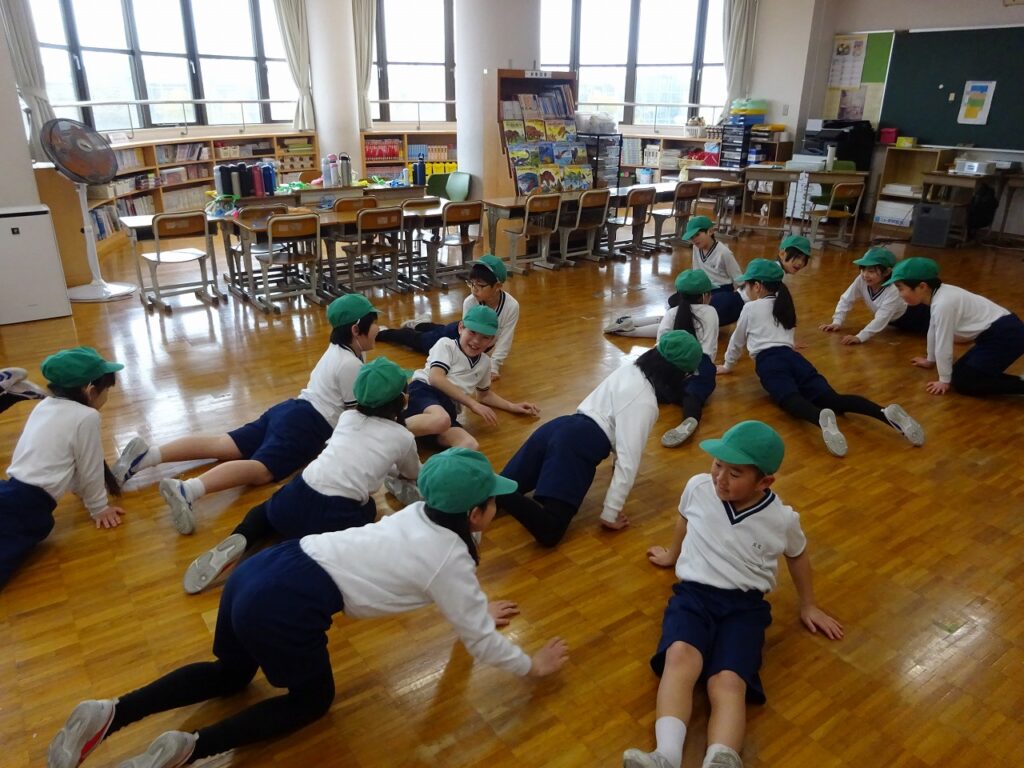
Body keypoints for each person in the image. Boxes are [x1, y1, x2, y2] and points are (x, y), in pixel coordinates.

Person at [46, 448, 569, 768]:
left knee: (230, 674)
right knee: (312, 701)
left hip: (267, 566)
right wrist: (532, 665)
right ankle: (191, 747)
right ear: (476, 515)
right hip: (287, 602)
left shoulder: (417, 514)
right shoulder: (451, 559)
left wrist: (474, 611)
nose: (497, 506)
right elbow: (477, 638)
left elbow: (447, 592)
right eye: (493, 501)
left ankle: (112, 711)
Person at [622, 420, 843, 768]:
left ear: (764, 482)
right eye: (718, 465)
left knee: (727, 682)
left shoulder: (782, 519)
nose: (720, 478)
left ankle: (721, 758)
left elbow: (797, 555)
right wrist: (672, 554)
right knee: (679, 658)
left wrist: (809, 605)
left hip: (745, 609)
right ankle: (666, 756)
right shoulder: (698, 487)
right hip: (693, 596)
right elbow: (684, 519)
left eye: (735, 473)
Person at [112, 294, 381, 535]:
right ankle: (188, 489)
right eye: (375, 323)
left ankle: (147, 456)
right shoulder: (350, 365)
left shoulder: (340, 351)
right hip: (307, 425)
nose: (379, 329)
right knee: (261, 470)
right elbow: (354, 418)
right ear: (356, 329)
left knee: (224, 444)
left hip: (290, 409)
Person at [181, 357, 421, 594]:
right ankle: (295, 555)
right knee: (368, 508)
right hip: (338, 512)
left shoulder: (347, 418)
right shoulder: (403, 437)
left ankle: (243, 534)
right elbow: (412, 472)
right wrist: (394, 469)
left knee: (263, 513)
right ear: (403, 400)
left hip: (301, 490)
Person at [499, 330, 702, 547]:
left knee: (499, 488)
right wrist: (610, 512)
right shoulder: (645, 403)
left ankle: (490, 484)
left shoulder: (630, 370)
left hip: (556, 428)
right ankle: (500, 491)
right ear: (675, 374)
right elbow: (628, 460)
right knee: (550, 530)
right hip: (577, 445)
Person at [718, 259, 924, 457]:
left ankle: (820, 418)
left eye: (748, 285)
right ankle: (884, 412)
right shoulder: (785, 303)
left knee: (790, 400)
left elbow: (737, 340)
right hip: (794, 358)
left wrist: (728, 364)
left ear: (757, 286)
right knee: (834, 399)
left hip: (769, 362)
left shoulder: (750, 307)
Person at [0, 348, 126, 590]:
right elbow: (89, 468)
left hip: (10, 490)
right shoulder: (87, 417)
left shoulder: (44, 405)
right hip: (26, 508)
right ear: (90, 391)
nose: (107, 395)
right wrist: (99, 508)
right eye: (107, 390)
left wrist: (79, 490)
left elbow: (60, 459)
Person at [602, 271, 720, 447]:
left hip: (668, 373)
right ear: (704, 296)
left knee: (647, 385)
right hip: (696, 367)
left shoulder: (672, 313)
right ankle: (690, 418)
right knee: (694, 394)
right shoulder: (710, 312)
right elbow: (708, 350)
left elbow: (660, 345)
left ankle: (614, 410)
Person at [403, 304, 539, 451]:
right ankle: (392, 431)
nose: (476, 341)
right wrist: (472, 404)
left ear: (492, 340)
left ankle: (416, 437)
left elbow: (484, 395)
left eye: (485, 337)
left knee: (470, 445)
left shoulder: (485, 363)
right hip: (424, 392)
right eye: (472, 332)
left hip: (447, 411)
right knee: (441, 419)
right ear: (461, 328)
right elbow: (436, 378)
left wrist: (512, 406)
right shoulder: (446, 345)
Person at [886, 256, 1024, 397]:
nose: (899, 294)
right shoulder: (938, 295)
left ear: (922, 286)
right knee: (959, 375)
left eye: (901, 288)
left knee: (964, 383)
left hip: (1007, 335)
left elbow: (943, 343)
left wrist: (943, 380)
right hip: (996, 334)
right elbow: (933, 329)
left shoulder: (943, 304)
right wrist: (930, 359)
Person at [378, 255, 520, 377]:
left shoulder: (511, 306)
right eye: (471, 284)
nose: (474, 290)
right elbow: (465, 338)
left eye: (480, 285)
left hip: (469, 335)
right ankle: (384, 332)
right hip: (458, 335)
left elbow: (505, 338)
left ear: (497, 286)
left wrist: (494, 366)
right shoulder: (470, 302)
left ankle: (420, 323)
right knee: (420, 341)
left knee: (439, 330)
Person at [819, 247, 930, 344]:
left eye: (871, 271)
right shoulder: (862, 279)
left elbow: (882, 317)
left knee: (932, 333)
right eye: (863, 270)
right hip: (896, 322)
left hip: (917, 317)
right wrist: (837, 321)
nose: (865, 275)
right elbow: (846, 299)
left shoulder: (893, 289)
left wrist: (860, 337)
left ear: (887, 272)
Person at [709, 234, 812, 328]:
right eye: (797, 257)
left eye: (804, 259)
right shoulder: (775, 274)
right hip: (731, 305)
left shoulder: (773, 269)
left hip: (732, 303)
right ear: (782, 254)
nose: (800, 263)